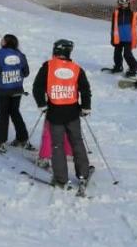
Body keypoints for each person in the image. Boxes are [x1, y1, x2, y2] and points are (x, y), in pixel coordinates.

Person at [31, 39, 93, 188]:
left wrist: (42, 104)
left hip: (55, 113)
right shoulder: (77, 68)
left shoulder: (48, 67)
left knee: (57, 145)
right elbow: (85, 89)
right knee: (77, 142)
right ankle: (83, 174)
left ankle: (61, 179)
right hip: (72, 112)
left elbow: (37, 87)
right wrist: (86, 107)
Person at [0, 34, 31, 151]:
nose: (1, 41)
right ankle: (22, 138)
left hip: (3, 89)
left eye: (3, 40)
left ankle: (1, 141)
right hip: (17, 88)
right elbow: (26, 72)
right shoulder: (21, 55)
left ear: (6, 42)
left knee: (4, 114)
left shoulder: (0, 53)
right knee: (15, 112)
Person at [107, 0, 137, 76]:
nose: (123, 6)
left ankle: (134, 68)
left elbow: (134, 26)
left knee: (127, 54)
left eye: (125, 3)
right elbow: (113, 26)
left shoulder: (131, 12)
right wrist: (112, 38)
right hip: (119, 38)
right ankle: (118, 67)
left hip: (128, 38)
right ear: (119, 4)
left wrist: (134, 39)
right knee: (117, 54)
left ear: (128, 3)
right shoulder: (116, 13)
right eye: (122, 3)